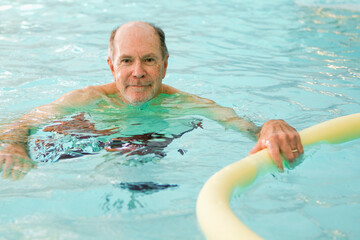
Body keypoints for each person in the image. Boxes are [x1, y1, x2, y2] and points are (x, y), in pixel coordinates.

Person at [0, 21, 303, 180]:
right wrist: (15, 147)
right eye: (127, 61)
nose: (138, 72)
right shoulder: (86, 99)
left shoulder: (186, 104)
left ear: (164, 64)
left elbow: (247, 127)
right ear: (111, 66)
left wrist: (273, 126)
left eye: (148, 60)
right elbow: (20, 125)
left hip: (147, 147)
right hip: (84, 143)